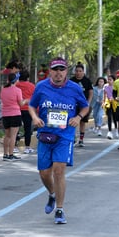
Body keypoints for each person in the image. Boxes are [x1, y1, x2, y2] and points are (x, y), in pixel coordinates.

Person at [29, 57, 89, 224]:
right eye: (55, 69)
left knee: (58, 170)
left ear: (66, 71)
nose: (58, 73)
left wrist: (78, 117)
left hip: (65, 136)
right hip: (45, 134)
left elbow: (85, 106)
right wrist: (34, 117)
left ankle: (60, 210)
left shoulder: (75, 88)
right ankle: (52, 194)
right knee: (44, 173)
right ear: (50, 71)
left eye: (61, 69)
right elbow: (32, 106)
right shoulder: (41, 86)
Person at [0, 73, 27, 161]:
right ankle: (11, 155)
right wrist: (26, 100)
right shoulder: (17, 90)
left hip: (5, 115)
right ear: (16, 80)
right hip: (15, 114)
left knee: (7, 135)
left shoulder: (3, 89)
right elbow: (21, 104)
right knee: (13, 136)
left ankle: (5, 154)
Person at [70, 62, 93, 147]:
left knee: (82, 122)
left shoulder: (87, 81)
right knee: (72, 121)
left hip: (83, 105)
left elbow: (91, 92)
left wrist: (88, 102)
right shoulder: (71, 80)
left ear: (83, 72)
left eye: (80, 71)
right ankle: (72, 137)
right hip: (73, 104)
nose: (78, 73)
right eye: (77, 71)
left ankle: (81, 139)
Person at [16, 70, 36, 153]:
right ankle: (27, 147)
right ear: (27, 78)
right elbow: (35, 97)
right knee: (27, 129)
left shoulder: (16, 85)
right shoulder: (32, 86)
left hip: (17, 109)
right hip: (28, 109)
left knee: (15, 128)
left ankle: (14, 147)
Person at [103, 75, 118, 139]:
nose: (109, 81)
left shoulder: (116, 86)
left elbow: (118, 94)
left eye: (110, 79)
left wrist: (114, 99)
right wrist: (103, 102)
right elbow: (105, 94)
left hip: (115, 103)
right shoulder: (105, 86)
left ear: (114, 80)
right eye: (108, 79)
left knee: (115, 117)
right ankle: (109, 132)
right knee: (109, 117)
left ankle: (116, 130)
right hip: (108, 103)